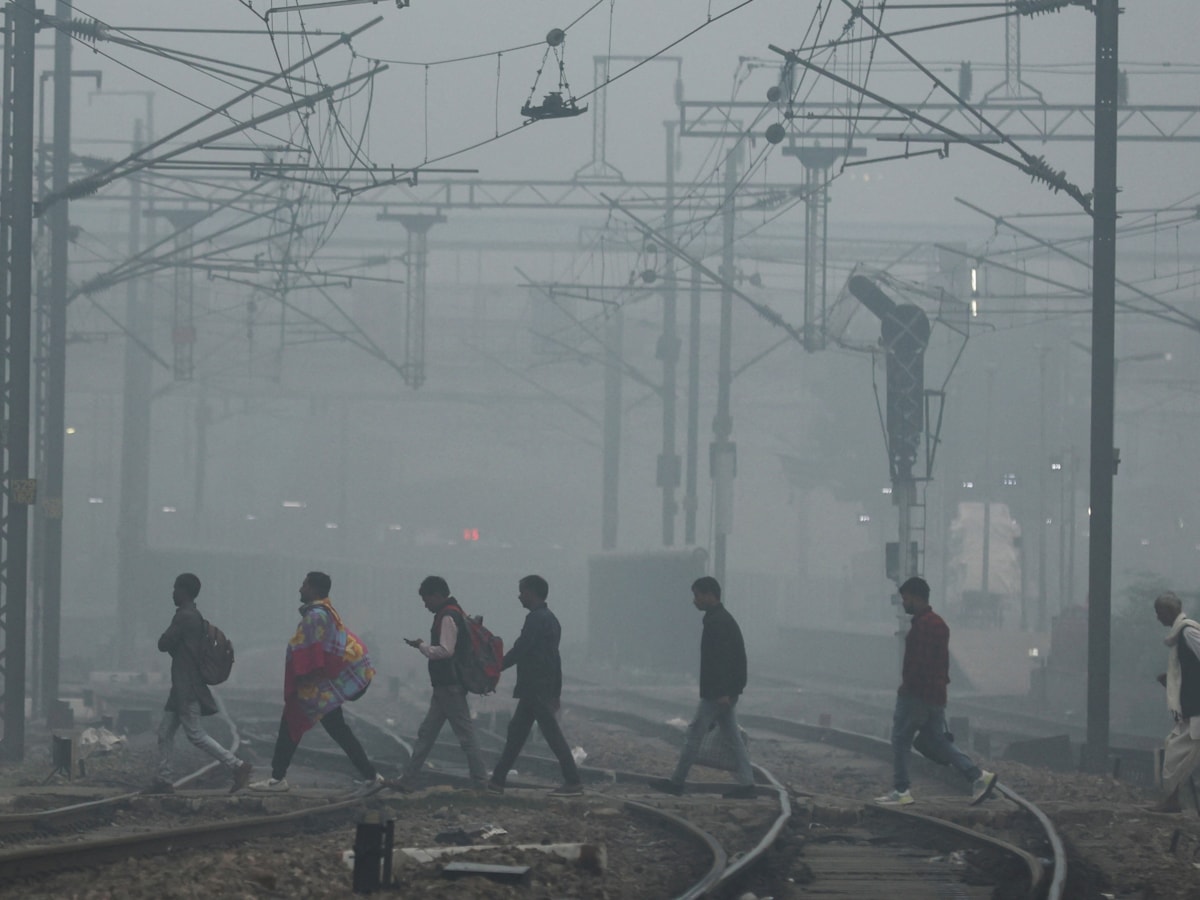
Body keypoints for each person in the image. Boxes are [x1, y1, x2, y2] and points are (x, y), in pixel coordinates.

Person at [249, 572, 380, 792]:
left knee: (291, 725)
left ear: (313, 589)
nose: (300, 589)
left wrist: (302, 679)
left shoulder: (315, 616)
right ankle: (371, 776)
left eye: (304, 585)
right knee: (338, 731)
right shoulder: (326, 612)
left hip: (316, 687)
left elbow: (311, 652)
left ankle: (277, 779)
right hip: (322, 687)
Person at [875, 576, 997, 806]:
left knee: (900, 739)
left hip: (916, 696)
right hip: (936, 695)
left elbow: (919, 664)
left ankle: (901, 790)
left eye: (906, 598)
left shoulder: (923, 626)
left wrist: (907, 689)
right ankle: (978, 776)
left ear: (916, 597)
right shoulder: (939, 624)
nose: (903, 603)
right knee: (938, 741)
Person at [651, 576, 756, 799]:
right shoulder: (720, 619)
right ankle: (748, 784)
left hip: (717, 694)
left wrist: (724, 693)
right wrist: (733, 690)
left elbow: (722, 660)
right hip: (723, 692)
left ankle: (677, 783)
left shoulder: (717, 622)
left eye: (697, 595)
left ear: (709, 595)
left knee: (694, 736)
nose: (694, 601)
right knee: (733, 738)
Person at [147, 573, 252, 794]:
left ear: (184, 591)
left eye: (175, 588)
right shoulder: (194, 616)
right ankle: (164, 779)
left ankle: (237, 766)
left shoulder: (184, 616)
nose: (173, 593)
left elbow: (163, 643)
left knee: (195, 733)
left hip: (187, 687)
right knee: (165, 732)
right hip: (181, 687)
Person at [487, 575, 583, 796]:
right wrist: (556, 690)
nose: (519, 596)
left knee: (550, 733)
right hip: (538, 687)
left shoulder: (536, 619)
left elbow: (521, 649)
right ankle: (497, 781)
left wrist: (496, 667)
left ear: (532, 592)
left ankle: (573, 781)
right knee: (517, 732)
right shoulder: (551, 619)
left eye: (522, 591)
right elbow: (555, 658)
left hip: (535, 687)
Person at [391, 576, 489, 790]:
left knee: (465, 736)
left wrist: (422, 646)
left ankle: (481, 782)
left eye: (426, 600)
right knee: (427, 734)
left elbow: (446, 650)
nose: (425, 605)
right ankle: (408, 779)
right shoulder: (454, 612)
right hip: (445, 687)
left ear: (437, 595)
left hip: (450, 686)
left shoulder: (447, 616)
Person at [1152, 591, 1200, 813]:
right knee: (1175, 749)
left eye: (1159, 612)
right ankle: (1173, 800)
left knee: (1175, 752)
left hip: (1197, 709)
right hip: (1191, 709)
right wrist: (1171, 680)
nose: (1157, 618)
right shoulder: (1179, 636)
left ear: (1168, 612)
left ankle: (1172, 801)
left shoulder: (1188, 632)